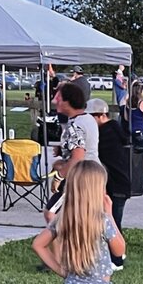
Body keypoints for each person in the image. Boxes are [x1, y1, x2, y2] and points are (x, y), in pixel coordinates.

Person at [44, 84, 100, 225]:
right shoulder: (87, 118)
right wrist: (63, 149)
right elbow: (84, 145)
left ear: (68, 102)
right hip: (94, 173)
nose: (55, 101)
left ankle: (64, 245)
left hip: (81, 177)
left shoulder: (75, 125)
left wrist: (59, 176)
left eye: (59, 98)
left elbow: (77, 157)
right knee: (79, 216)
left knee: (51, 213)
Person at [90, 99, 131, 270]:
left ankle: (117, 259)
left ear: (100, 116)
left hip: (116, 184)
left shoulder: (105, 134)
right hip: (120, 183)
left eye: (91, 117)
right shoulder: (115, 129)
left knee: (113, 221)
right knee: (113, 219)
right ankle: (116, 254)